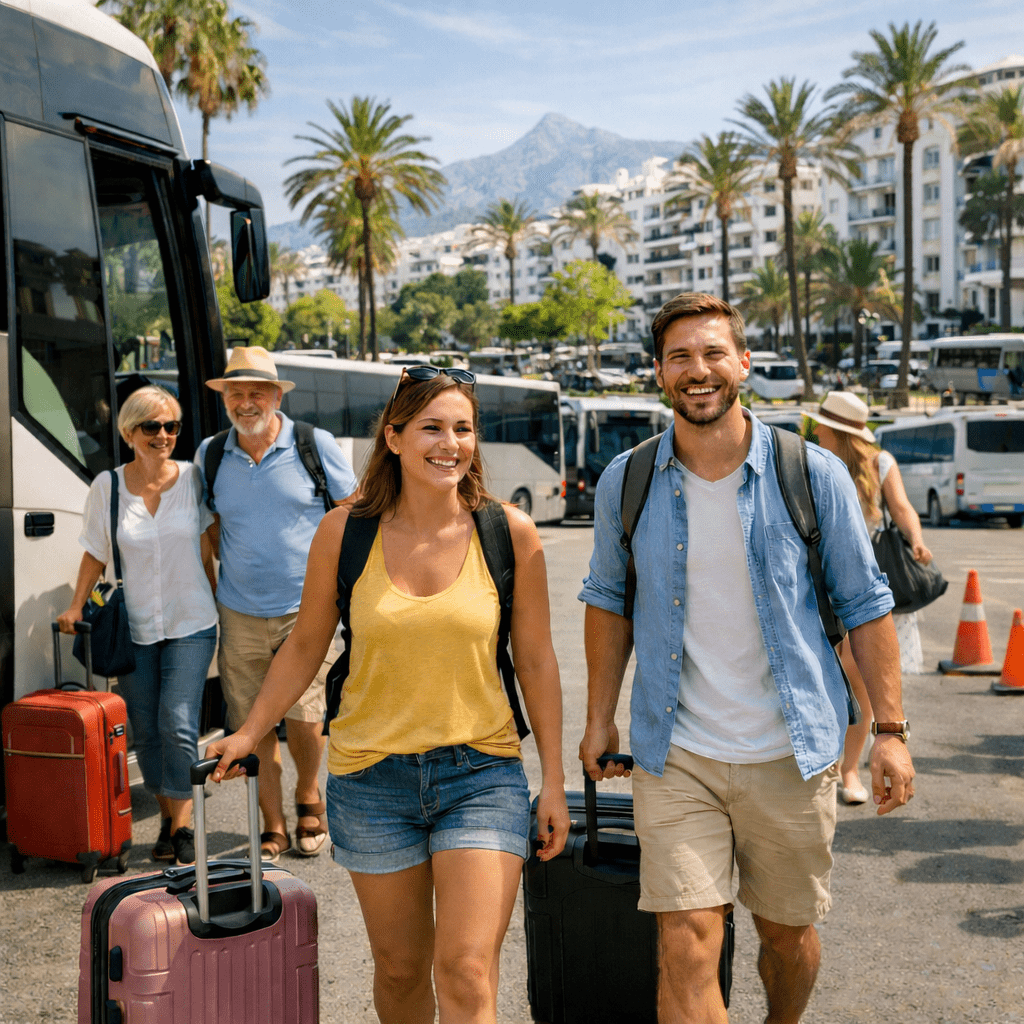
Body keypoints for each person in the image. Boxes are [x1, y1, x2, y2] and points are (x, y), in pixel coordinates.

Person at [578, 293, 915, 1024]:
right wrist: (598, 717)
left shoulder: (811, 473)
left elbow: (865, 604)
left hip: (791, 751)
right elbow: (607, 600)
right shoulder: (627, 481)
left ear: (743, 364)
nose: (697, 371)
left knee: (787, 938)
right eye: (679, 358)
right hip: (677, 753)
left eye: (712, 354)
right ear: (659, 372)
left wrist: (890, 731)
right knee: (687, 942)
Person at [207, 365, 570, 1024]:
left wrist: (552, 778)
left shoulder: (507, 531)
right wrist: (248, 728)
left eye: (463, 428)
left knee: (465, 968)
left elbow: (539, 661)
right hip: (370, 779)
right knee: (401, 972)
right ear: (395, 437)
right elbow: (305, 646)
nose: (450, 443)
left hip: (481, 774)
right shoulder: (345, 532)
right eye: (432, 427)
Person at [196, 346, 358, 861]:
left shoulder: (315, 444)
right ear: (225, 399)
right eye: (236, 394)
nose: (246, 403)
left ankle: (309, 796)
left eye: (256, 393)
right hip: (239, 611)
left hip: (306, 609)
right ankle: (272, 824)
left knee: (307, 716)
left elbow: (353, 511)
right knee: (250, 723)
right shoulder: (212, 453)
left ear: (275, 396)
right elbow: (213, 527)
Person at [58, 386, 218, 866]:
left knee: (177, 720)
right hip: (135, 627)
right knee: (145, 729)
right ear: (130, 432)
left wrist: (231, 599)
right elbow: (94, 550)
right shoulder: (107, 486)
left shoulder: (193, 479)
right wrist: (75, 605)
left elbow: (213, 541)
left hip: (193, 620)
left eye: (172, 426)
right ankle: (169, 816)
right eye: (152, 426)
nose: (164, 435)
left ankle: (185, 825)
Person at [809, 391, 933, 805]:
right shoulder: (809, 461)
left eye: (822, 426)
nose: (816, 430)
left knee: (857, 673)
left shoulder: (880, 463)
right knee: (820, 670)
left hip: (864, 579)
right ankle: (823, 762)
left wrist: (916, 540)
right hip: (818, 578)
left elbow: (902, 508)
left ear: (837, 431)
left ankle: (848, 768)